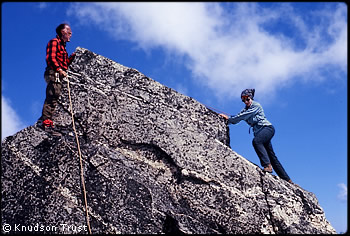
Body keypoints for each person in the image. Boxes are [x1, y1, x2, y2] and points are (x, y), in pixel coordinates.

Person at [219, 89, 293, 184]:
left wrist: (229, 119)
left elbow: (242, 116)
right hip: (260, 132)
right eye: (243, 100)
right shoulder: (245, 110)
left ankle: (267, 165)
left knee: (257, 142)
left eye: (247, 99)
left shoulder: (256, 106)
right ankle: (287, 180)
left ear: (251, 98)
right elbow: (239, 117)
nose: (246, 102)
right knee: (272, 156)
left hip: (267, 128)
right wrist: (227, 119)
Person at [39, 23, 76, 136]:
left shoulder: (63, 47)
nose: (70, 34)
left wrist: (71, 58)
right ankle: (46, 123)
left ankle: (46, 120)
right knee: (52, 96)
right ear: (62, 32)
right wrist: (59, 70)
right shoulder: (54, 42)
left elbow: (64, 63)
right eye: (69, 32)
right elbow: (50, 58)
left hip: (58, 72)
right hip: (54, 72)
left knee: (55, 96)